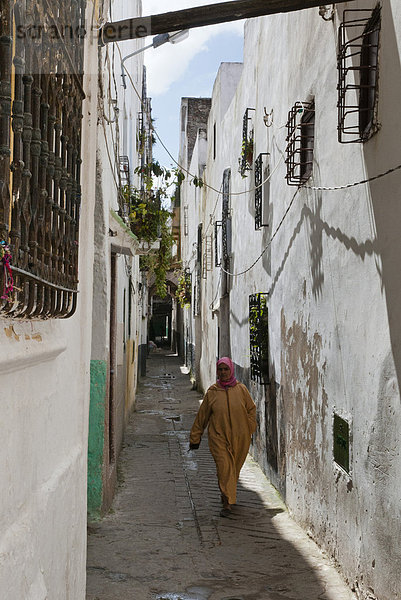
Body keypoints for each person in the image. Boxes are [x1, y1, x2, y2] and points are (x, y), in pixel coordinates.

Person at [189, 357, 257, 517]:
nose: (223, 372)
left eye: (226, 369)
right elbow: (202, 417)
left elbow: (251, 409)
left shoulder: (241, 389)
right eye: (220, 369)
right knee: (224, 467)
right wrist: (195, 438)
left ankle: (227, 493)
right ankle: (227, 503)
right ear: (217, 372)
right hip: (218, 438)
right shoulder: (212, 392)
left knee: (234, 468)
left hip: (240, 438)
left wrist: (248, 427)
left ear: (231, 370)